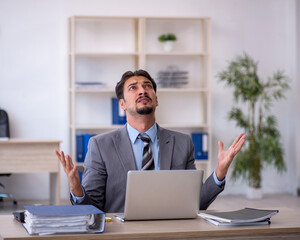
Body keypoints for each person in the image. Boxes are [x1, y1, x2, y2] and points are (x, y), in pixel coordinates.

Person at [56, 69, 246, 213]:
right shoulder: (100, 145)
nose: (142, 91)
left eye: (148, 86)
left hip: (170, 232)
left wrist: (220, 172)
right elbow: (93, 208)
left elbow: (195, 202)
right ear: (121, 104)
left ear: (156, 100)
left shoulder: (182, 142)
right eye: (133, 88)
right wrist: (76, 187)